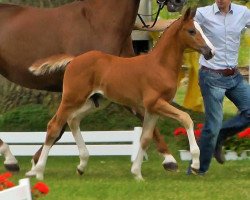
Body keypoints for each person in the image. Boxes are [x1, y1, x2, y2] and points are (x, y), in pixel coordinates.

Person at [190, 0, 250, 174]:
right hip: (211, 76)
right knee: (212, 125)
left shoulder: (242, 12)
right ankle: (198, 169)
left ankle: (220, 137)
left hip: (234, 76)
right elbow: (180, 24)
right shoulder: (203, 13)